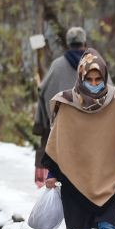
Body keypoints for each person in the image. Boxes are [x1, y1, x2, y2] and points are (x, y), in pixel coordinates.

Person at [41, 49, 115, 229]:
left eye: (97, 79)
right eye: (89, 79)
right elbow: (57, 141)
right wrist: (51, 174)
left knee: (107, 225)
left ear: (104, 77)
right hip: (75, 177)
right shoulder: (67, 103)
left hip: (106, 174)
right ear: (81, 77)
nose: (93, 84)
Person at [34, 26, 88, 187]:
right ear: (84, 42)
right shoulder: (94, 65)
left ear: (68, 43)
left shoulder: (57, 66)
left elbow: (42, 91)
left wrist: (42, 123)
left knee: (65, 179)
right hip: (90, 131)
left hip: (61, 132)